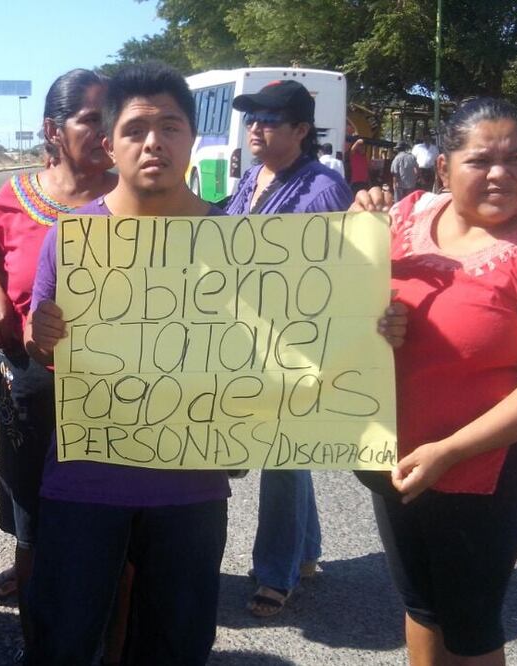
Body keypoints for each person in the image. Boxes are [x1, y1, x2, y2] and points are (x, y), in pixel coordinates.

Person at [357, 98, 517, 665]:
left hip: (490, 461)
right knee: (420, 604)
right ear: (443, 168)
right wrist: (358, 229)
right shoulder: (403, 216)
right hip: (395, 449)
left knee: (468, 617)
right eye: (481, 160)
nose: (501, 174)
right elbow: (341, 303)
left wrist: (449, 450)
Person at [25, 63, 230, 666]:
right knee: (63, 637)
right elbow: (47, 350)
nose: (153, 142)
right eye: (136, 128)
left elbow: (281, 347)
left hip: (193, 484)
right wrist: (43, 338)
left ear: (192, 138)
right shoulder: (74, 239)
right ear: (108, 143)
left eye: (170, 126)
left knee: (176, 644)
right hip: (86, 474)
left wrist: (365, 329)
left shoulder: (237, 240)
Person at [0, 68, 116, 651]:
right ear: (54, 129)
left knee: (108, 513)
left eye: (111, 116)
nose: (105, 130)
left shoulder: (134, 195)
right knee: (31, 501)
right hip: (34, 379)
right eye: (91, 118)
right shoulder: (16, 196)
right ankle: (37, 621)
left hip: (117, 384)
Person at [225, 79, 352, 618]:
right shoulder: (253, 177)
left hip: (296, 346)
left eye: (272, 118)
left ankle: (276, 573)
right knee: (289, 454)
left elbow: (343, 280)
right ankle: (307, 553)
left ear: (301, 130)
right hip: (248, 340)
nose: (258, 126)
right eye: (253, 116)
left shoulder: (322, 191)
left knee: (281, 455)